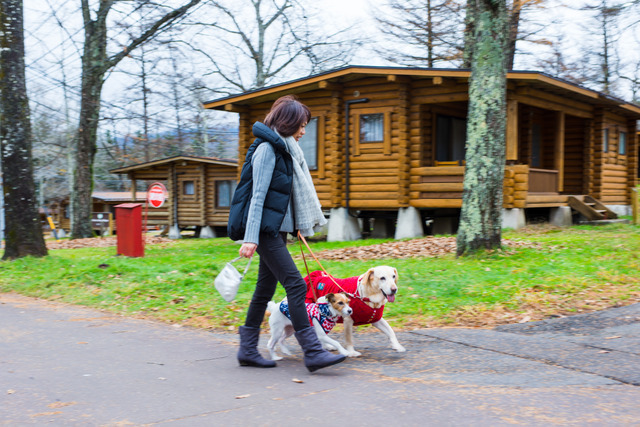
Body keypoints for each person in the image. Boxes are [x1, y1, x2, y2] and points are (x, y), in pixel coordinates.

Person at [227, 95, 346, 372]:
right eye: (301, 125)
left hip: (276, 230)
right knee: (295, 284)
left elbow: (283, 198)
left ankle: (247, 350)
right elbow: (258, 197)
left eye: (305, 125)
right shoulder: (267, 150)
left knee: (264, 288)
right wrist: (251, 238)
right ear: (287, 122)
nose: (303, 131)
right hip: (265, 232)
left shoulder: (286, 150)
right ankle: (313, 352)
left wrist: (295, 226)